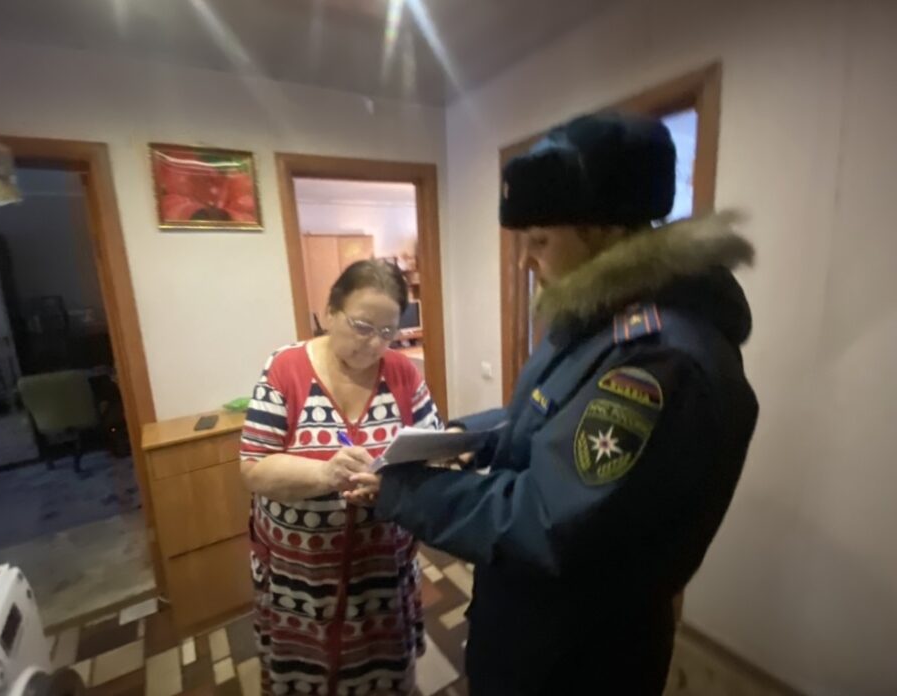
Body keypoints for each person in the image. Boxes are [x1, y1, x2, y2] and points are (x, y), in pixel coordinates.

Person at [348, 112, 759, 695]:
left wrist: (402, 492)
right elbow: (543, 415)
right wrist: (463, 439)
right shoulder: (599, 319)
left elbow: (546, 520)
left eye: (539, 241)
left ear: (606, 233)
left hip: (576, 652)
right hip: (532, 619)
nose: (524, 261)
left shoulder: (658, 360)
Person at [240, 259, 443, 696]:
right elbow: (254, 467)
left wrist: (406, 478)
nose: (375, 344)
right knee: (307, 676)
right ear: (330, 312)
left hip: (381, 576)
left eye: (388, 332)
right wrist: (325, 473)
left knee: (383, 675)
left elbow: (431, 447)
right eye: (363, 327)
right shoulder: (285, 368)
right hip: (301, 582)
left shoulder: (403, 372)